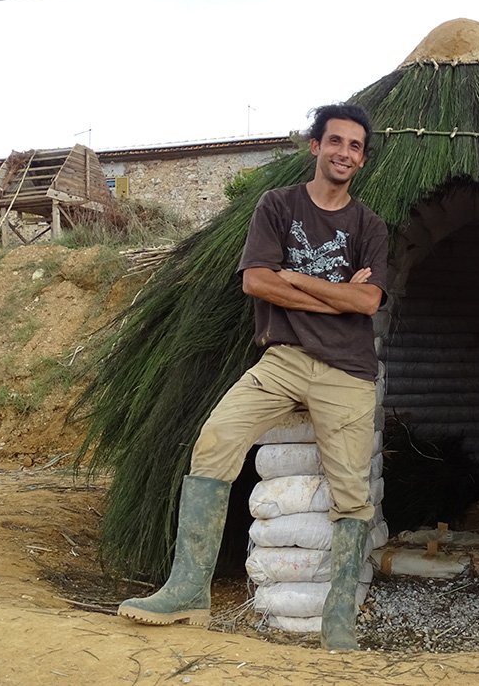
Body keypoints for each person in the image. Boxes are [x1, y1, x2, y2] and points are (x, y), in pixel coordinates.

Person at [118, 103, 388, 652]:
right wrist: (334, 297)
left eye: (355, 146)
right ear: (315, 146)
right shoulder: (277, 206)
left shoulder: (369, 225)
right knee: (215, 440)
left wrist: (299, 278)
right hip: (282, 360)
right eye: (335, 141)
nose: (344, 153)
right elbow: (257, 284)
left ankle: (340, 616)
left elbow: (368, 300)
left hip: (348, 372)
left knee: (352, 493)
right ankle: (189, 590)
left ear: (361, 159)